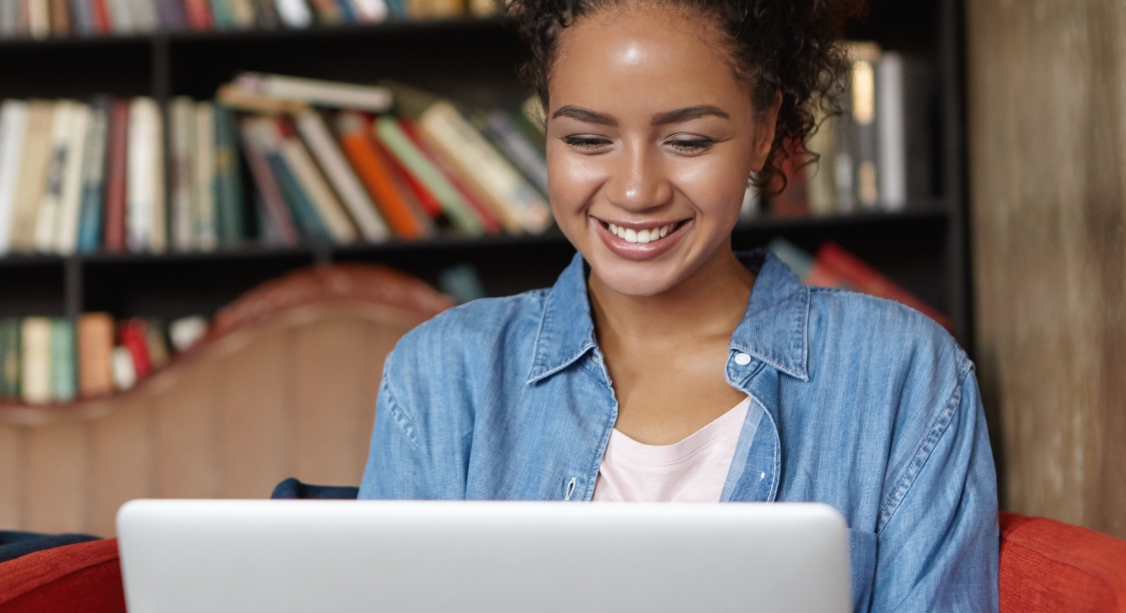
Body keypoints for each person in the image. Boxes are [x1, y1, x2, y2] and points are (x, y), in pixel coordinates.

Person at [357, 0, 999, 610]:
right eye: (586, 139)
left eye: (688, 141)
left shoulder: (902, 375)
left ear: (762, 130)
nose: (636, 191)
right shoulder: (441, 376)